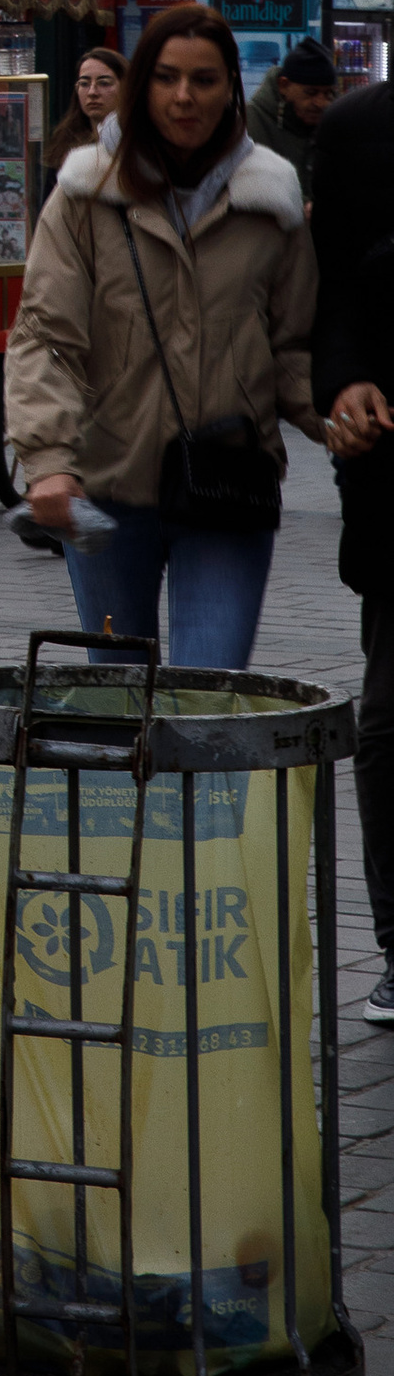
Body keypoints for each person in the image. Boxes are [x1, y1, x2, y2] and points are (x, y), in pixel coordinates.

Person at [5, 3, 323, 671]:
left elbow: (293, 345)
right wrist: (49, 460)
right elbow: (46, 335)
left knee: (211, 694)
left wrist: (337, 412)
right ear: (142, 85)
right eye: (167, 77)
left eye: (205, 80)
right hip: (108, 485)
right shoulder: (85, 194)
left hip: (228, 484)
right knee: (121, 695)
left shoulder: (270, 200)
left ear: (231, 88)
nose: (185, 97)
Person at [304, 69, 394, 1018]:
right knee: (389, 722)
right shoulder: (358, 129)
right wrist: (343, 381)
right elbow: (326, 293)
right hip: (390, 466)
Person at [249, 37, 339, 204]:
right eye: (311, 93)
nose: (321, 103)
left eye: (328, 94)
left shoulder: (335, 126)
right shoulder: (250, 122)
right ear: (284, 86)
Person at [45, 43, 123, 187]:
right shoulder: (64, 146)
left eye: (104, 83)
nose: (92, 92)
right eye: (84, 83)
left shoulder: (137, 146)